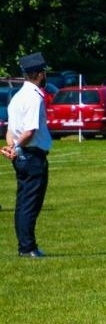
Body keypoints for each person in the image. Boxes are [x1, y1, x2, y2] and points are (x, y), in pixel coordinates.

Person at [4, 53, 54, 258]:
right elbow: (30, 130)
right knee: (30, 204)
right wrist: (16, 147)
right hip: (32, 155)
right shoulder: (34, 97)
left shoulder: (17, 97)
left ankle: (25, 245)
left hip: (22, 155)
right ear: (40, 74)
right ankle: (28, 247)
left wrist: (11, 147)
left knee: (23, 202)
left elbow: (10, 129)